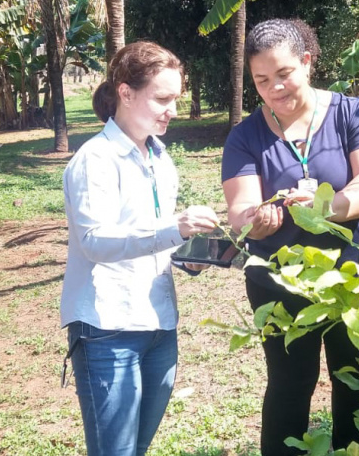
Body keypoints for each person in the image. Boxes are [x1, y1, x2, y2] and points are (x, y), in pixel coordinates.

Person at [222, 19, 359, 455]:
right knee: (289, 384)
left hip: (353, 276)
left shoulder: (351, 113)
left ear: (307, 62)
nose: (274, 88)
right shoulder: (245, 137)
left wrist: (327, 206)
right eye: (261, 80)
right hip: (279, 282)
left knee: (356, 378)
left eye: (283, 74)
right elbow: (240, 211)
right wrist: (256, 220)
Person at [60, 41, 219, 456]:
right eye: (162, 99)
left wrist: (195, 253)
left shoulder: (160, 157)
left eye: (176, 100)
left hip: (159, 324)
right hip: (107, 328)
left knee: (137, 448)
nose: (173, 110)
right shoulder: (95, 159)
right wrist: (174, 228)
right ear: (126, 92)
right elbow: (95, 240)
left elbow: (157, 239)